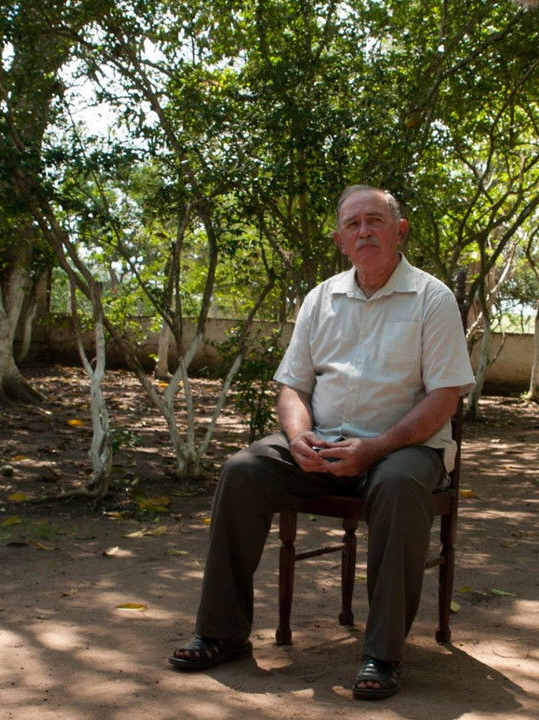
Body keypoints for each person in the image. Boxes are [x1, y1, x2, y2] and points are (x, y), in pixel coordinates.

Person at [168, 185, 474, 700]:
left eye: (375, 221)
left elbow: (444, 398)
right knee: (243, 470)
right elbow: (293, 386)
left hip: (405, 449)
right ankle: (222, 633)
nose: (364, 232)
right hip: (322, 441)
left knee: (399, 487)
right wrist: (298, 436)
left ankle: (382, 655)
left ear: (399, 231)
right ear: (339, 239)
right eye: (353, 224)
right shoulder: (321, 298)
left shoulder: (432, 298)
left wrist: (376, 448)